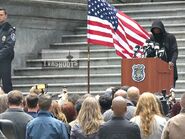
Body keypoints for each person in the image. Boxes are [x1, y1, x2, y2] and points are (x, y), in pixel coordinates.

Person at [149, 19, 178, 86]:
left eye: (158, 29)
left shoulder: (170, 37)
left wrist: (172, 61)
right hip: (156, 68)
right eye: (154, 29)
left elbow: (175, 51)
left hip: (169, 66)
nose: (156, 31)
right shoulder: (152, 38)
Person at [0, 8, 16, 93]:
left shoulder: (10, 30)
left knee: (6, 84)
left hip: (4, 60)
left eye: (1, 15)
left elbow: (9, 46)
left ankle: (11, 103)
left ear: (6, 16)